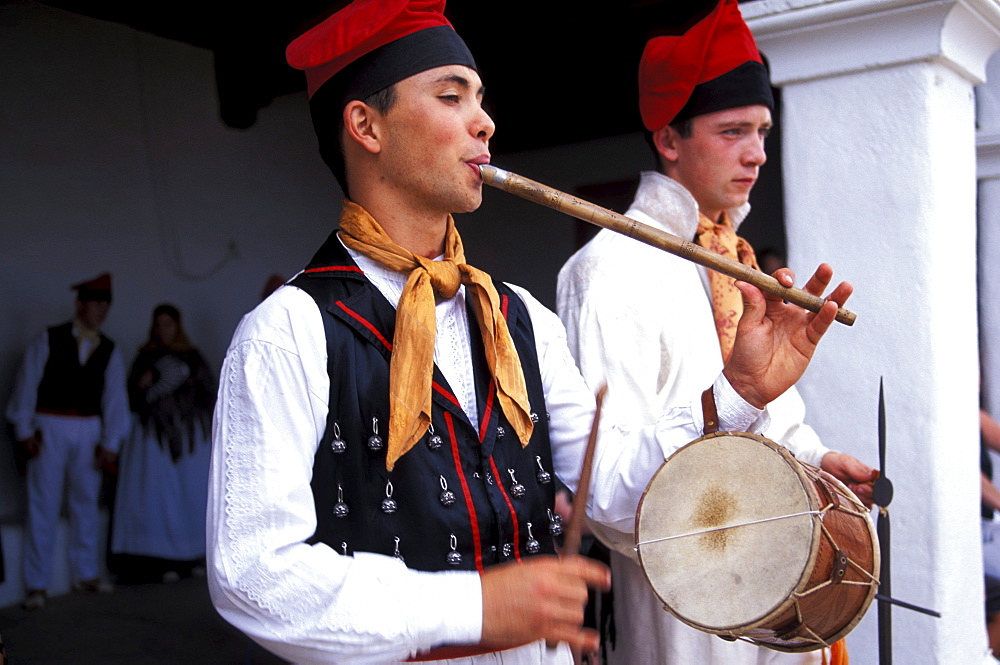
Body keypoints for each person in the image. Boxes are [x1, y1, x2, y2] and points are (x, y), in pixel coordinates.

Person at [206, 2, 853, 663]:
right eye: (451, 96)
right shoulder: (289, 331)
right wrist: (475, 606)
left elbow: (619, 492)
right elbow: (252, 574)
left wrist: (739, 388)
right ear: (366, 125)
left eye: (480, 99)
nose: (484, 121)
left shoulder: (521, 319)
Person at [556, 1, 875, 663]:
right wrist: (733, 399)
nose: (757, 153)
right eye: (733, 131)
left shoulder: (740, 262)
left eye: (761, 130)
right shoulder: (608, 268)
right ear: (670, 139)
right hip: (688, 616)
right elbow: (612, 499)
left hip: (779, 599)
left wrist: (812, 464)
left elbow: (769, 417)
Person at [5, 272, 129, 611]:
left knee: (86, 501)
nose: (101, 310)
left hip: (88, 428)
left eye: (106, 304)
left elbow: (116, 400)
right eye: (96, 303)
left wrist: (111, 441)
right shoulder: (48, 339)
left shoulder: (109, 349)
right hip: (50, 424)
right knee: (42, 502)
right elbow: (27, 385)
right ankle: (36, 584)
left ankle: (85, 573)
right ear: (79, 304)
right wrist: (25, 430)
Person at [110, 304, 215, 583]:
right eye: (158, 324)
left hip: (190, 442)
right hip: (152, 442)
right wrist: (144, 384)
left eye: (168, 324)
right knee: (155, 499)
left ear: (177, 326)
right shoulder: (145, 357)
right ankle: (158, 562)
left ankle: (190, 558)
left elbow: (210, 393)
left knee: (188, 500)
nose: (162, 330)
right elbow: (130, 397)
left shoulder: (193, 357)